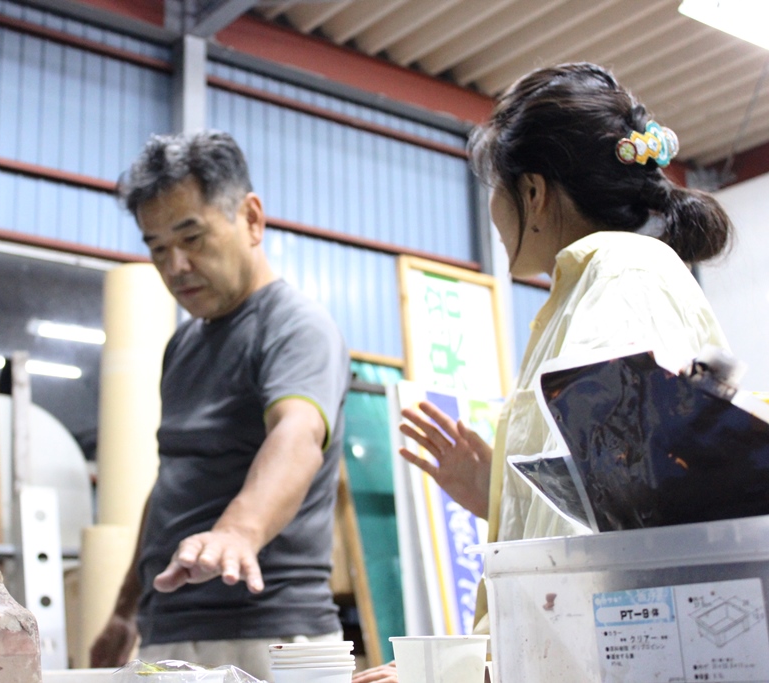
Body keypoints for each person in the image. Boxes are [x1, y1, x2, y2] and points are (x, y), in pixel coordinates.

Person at [355, 62, 732, 683]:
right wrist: (499, 494)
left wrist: (467, 675)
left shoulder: (622, 283)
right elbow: (616, 498)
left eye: (495, 189)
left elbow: (616, 544)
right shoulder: (599, 285)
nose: (493, 209)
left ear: (532, 193)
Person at [89, 130, 351, 680]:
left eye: (193, 237)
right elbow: (172, 483)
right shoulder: (183, 346)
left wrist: (238, 532)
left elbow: (297, 434)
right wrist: (125, 611)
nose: (177, 266)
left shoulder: (295, 327)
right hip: (169, 629)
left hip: (268, 632)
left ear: (251, 219)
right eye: (157, 248)